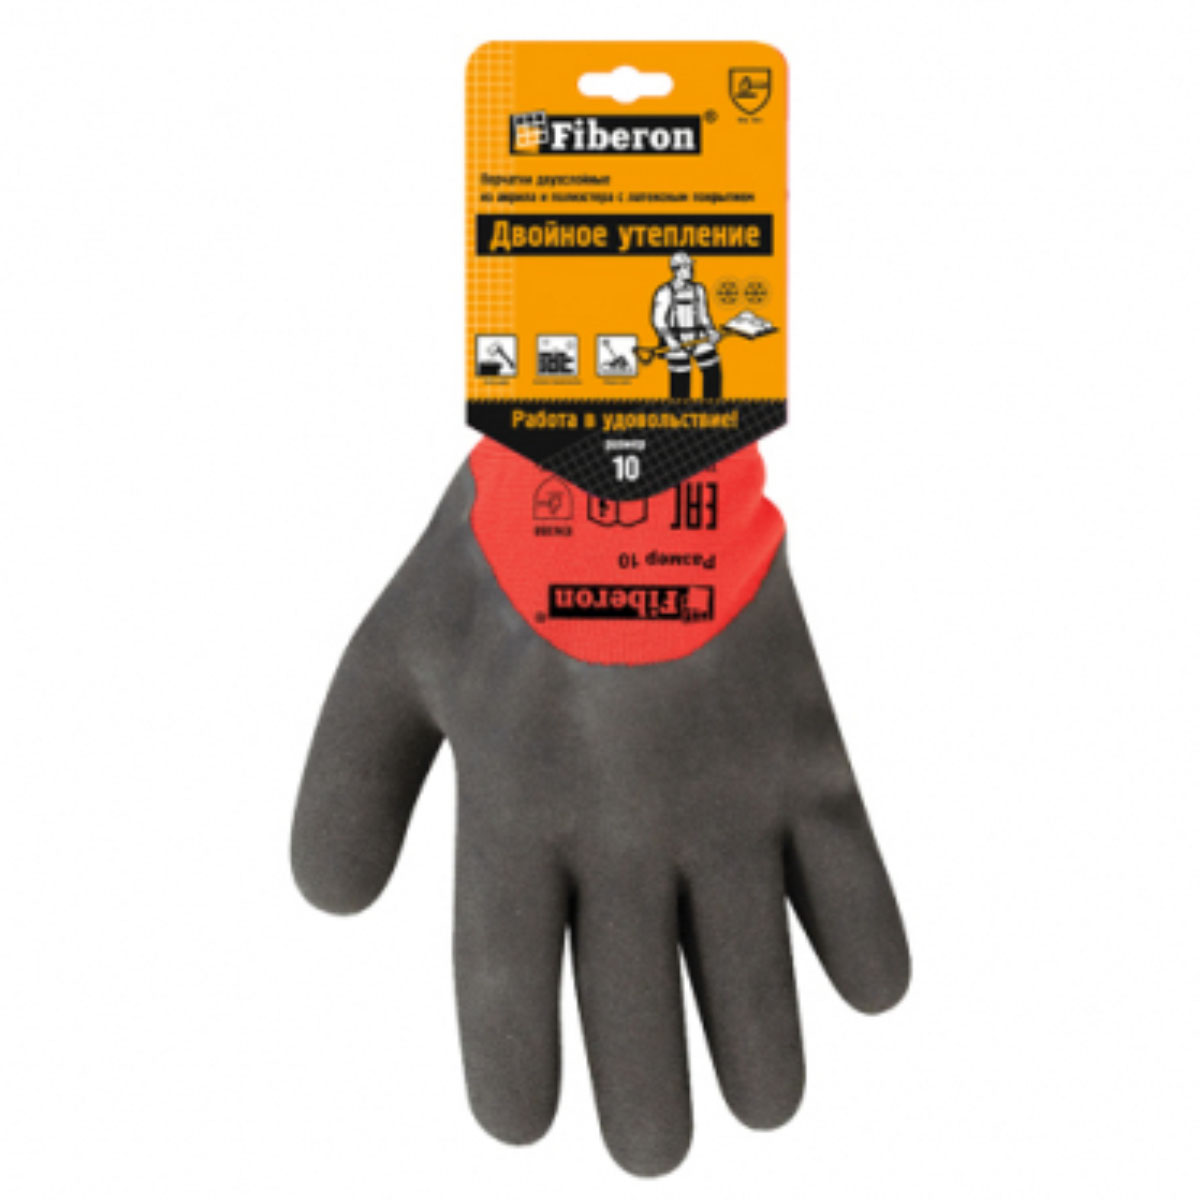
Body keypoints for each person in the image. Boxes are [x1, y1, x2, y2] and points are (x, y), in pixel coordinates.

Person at [651, 251, 722, 399]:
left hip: (699, 338)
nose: (691, 270)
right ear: (676, 270)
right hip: (675, 340)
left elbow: (704, 316)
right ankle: (680, 411)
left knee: (713, 371)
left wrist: (711, 331)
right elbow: (658, 321)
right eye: (687, 267)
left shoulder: (699, 290)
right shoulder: (664, 292)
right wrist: (669, 340)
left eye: (690, 266)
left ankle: (712, 408)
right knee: (680, 385)